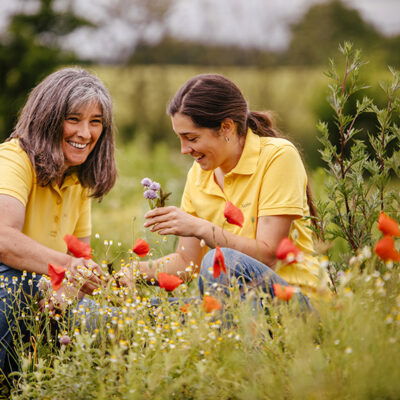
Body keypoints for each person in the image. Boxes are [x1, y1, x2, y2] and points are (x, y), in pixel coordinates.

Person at [122, 73, 326, 304]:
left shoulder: (278, 156)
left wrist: (200, 227)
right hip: (235, 304)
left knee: (220, 259)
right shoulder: (198, 174)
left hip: (291, 301)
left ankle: (222, 335)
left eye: (191, 138)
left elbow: (269, 255)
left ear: (226, 127)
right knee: (150, 312)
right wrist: (133, 271)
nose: (184, 149)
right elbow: (186, 263)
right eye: (180, 138)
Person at [0, 67, 116, 373]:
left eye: (95, 122)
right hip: (9, 285)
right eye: (73, 119)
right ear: (48, 119)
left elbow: (80, 256)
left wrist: (71, 288)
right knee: (15, 284)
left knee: (97, 314)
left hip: (39, 291)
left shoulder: (77, 179)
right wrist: (69, 270)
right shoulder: (13, 159)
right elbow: (3, 241)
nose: (85, 133)